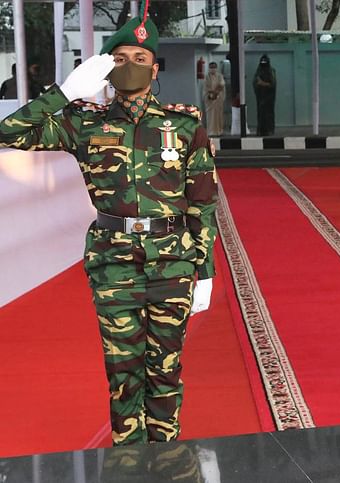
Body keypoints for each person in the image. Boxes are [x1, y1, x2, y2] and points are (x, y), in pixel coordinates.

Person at [0, 6, 218, 444]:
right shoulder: (83, 121)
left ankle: (165, 459)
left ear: (156, 68)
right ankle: (129, 463)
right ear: (105, 68)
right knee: (123, 375)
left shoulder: (184, 121)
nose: (131, 67)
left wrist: (206, 270)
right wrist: (63, 92)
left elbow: (203, 200)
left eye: (141, 59)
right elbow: (9, 132)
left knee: (166, 372)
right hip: (113, 261)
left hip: (173, 261)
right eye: (120, 59)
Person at [252, 54, 276, 136]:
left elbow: (273, 84)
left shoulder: (271, 71)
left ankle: (269, 130)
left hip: (269, 97)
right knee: (260, 113)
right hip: (260, 97)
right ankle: (261, 131)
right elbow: (254, 82)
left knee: (269, 114)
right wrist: (258, 85)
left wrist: (263, 83)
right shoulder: (258, 71)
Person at [203, 61, 225, 136]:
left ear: (216, 68)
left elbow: (222, 85)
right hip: (210, 100)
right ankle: (211, 131)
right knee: (210, 116)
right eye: (211, 68)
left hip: (218, 99)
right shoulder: (207, 77)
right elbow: (206, 88)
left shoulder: (220, 76)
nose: (213, 69)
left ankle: (219, 131)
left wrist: (216, 92)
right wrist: (211, 93)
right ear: (209, 68)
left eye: (214, 68)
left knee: (218, 116)